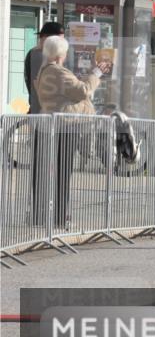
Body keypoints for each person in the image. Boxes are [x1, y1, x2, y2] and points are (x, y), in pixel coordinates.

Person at [35, 35, 105, 226]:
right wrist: (95, 74)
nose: (66, 55)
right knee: (64, 173)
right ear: (60, 54)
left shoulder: (46, 70)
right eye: (65, 52)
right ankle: (60, 217)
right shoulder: (58, 72)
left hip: (55, 125)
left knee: (59, 172)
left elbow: (68, 90)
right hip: (66, 126)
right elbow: (83, 91)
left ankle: (57, 215)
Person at [25, 22, 64, 114]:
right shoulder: (38, 55)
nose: (61, 44)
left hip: (42, 107)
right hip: (43, 110)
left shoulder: (38, 53)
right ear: (46, 38)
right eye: (59, 40)